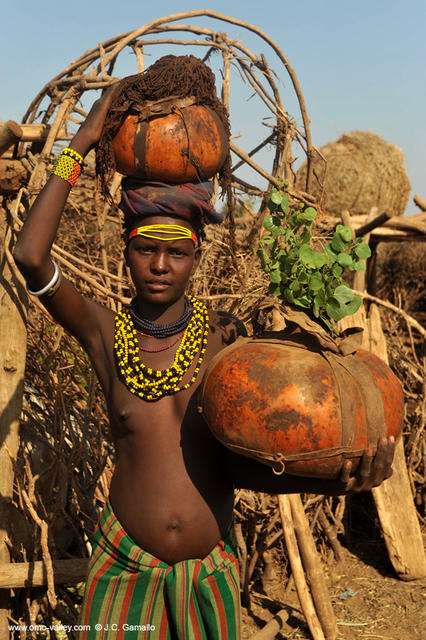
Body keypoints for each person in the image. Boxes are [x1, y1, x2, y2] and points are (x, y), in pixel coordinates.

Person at [13, 85, 395, 640]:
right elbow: (29, 256)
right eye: (146, 248)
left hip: (208, 574)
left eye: (178, 252)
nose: (160, 265)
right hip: (124, 570)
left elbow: (241, 468)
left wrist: (339, 483)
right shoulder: (103, 332)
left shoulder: (228, 343)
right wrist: (82, 141)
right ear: (127, 249)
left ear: (198, 256)